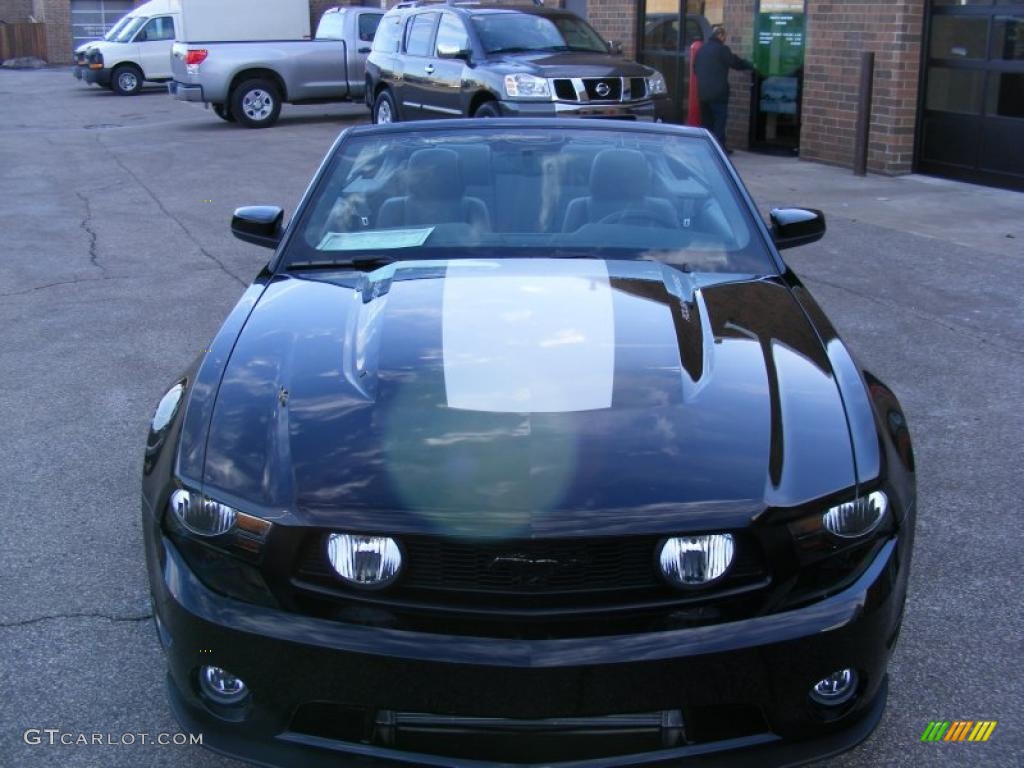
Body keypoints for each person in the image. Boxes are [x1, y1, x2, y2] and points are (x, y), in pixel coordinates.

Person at [693, 26, 752, 153]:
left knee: (707, 122)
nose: (725, 39)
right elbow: (735, 63)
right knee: (720, 122)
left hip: (703, 93)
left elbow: (695, 69)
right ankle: (719, 150)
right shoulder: (722, 49)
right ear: (720, 35)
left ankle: (707, 149)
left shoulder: (702, 49)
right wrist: (751, 65)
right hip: (718, 93)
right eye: (724, 36)